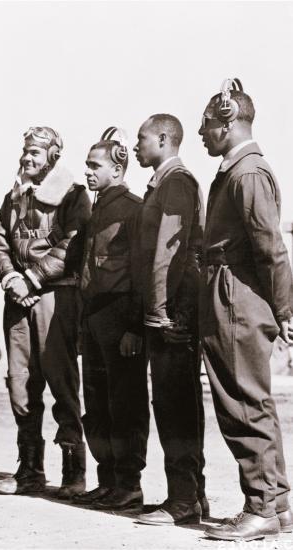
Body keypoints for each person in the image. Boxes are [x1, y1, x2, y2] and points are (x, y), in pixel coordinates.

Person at [198, 79, 292, 541]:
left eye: (208, 125)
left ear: (229, 120)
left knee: (242, 402)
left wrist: (285, 309)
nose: (202, 133)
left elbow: (271, 248)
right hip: (234, 290)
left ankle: (260, 507)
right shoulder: (239, 170)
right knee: (253, 400)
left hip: (236, 293)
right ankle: (277, 504)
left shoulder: (247, 172)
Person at [0, 126, 92, 498]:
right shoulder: (13, 197)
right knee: (20, 383)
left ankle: (73, 471)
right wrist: (12, 277)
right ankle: (29, 469)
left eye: (35, 152)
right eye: (25, 150)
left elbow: (73, 245)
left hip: (56, 299)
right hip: (18, 300)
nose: (27, 158)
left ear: (53, 156)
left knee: (62, 382)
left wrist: (32, 277)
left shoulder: (74, 195)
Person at [131, 114, 208, 526]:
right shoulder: (166, 182)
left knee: (174, 403)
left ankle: (184, 500)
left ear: (163, 139)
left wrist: (159, 312)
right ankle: (193, 496)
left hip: (174, 311)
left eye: (141, 138)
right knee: (177, 402)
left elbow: (167, 252)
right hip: (172, 308)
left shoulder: (175, 182)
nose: (135, 146)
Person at [71, 128, 149, 512]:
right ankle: (108, 481)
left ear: (118, 170)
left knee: (125, 403)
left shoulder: (134, 209)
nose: (88, 171)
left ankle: (129, 484)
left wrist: (135, 326)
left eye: (94, 165)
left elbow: (141, 273)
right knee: (97, 403)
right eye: (87, 164)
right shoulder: (97, 208)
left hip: (121, 318)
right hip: (95, 316)